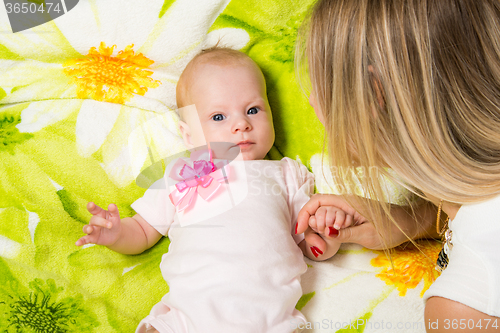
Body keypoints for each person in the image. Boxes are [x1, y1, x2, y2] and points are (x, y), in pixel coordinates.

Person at [75, 47, 349, 333]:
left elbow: (311, 246)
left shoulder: (285, 173)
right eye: (219, 117)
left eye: (252, 110)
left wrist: (328, 231)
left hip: (269, 317)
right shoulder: (180, 173)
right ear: (188, 134)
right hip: (187, 316)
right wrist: (117, 233)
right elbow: (143, 231)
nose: (241, 124)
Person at [295, 0, 500, 330]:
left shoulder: (465, 310)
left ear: (373, 94)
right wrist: (412, 221)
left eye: (320, 81)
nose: (312, 101)